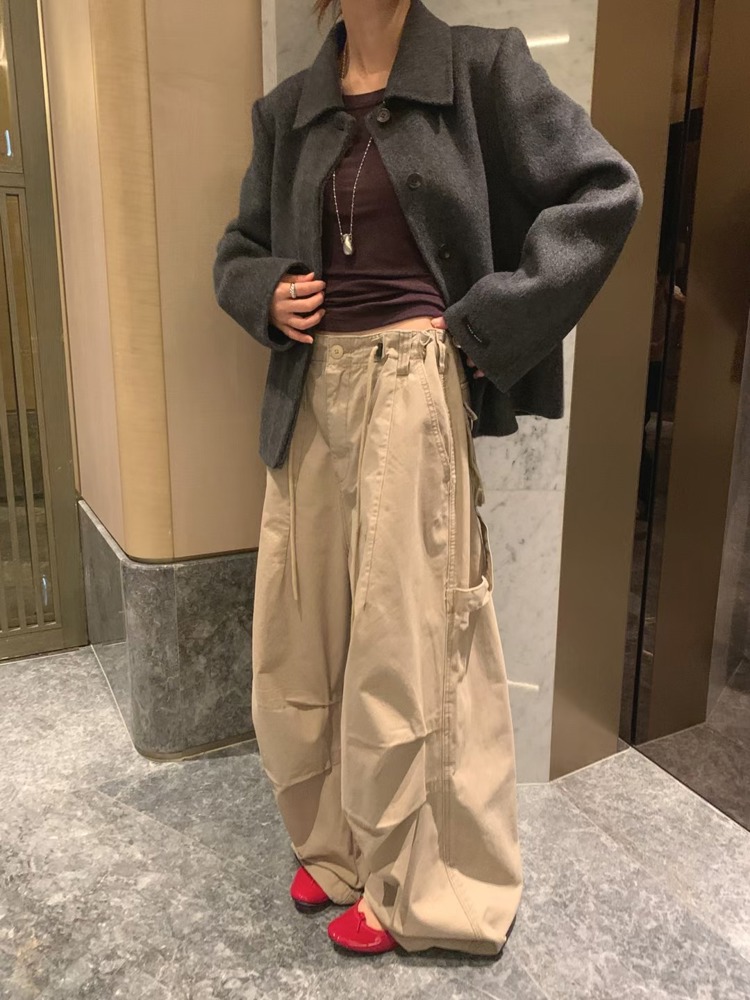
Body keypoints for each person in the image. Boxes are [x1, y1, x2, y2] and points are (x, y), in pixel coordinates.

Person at [213, 0, 643, 957]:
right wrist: (264, 291)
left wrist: (495, 323)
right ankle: (335, 846)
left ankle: (426, 882)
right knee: (302, 632)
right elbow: (236, 249)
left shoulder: (480, 70)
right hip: (310, 392)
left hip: (413, 383)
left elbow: (604, 192)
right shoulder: (289, 111)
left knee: (405, 640)